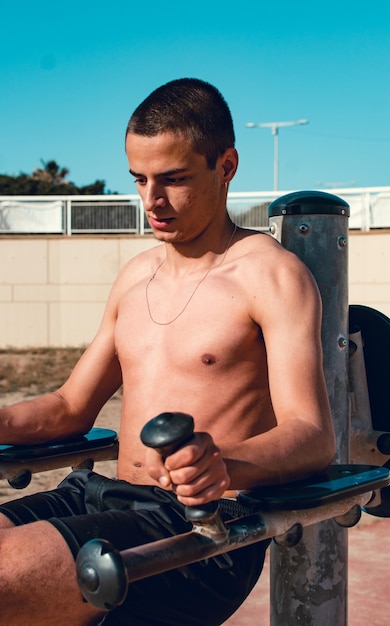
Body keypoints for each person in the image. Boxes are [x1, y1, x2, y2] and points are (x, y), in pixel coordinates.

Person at [0, 78, 335, 625]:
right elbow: (69, 408)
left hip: (197, 526)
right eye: (140, 179)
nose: (152, 201)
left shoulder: (269, 275)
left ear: (226, 165)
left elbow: (313, 434)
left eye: (174, 179)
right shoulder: (135, 277)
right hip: (98, 495)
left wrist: (224, 465)